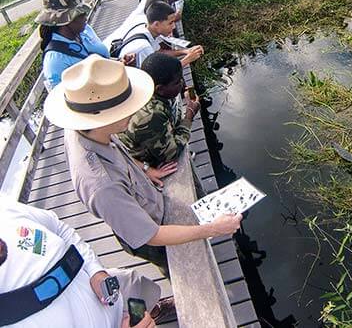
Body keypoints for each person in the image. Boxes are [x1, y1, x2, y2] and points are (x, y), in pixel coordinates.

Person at [44, 56, 242, 277]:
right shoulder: (103, 186)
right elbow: (151, 235)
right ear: (100, 118)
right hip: (151, 233)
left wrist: (144, 168)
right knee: (180, 269)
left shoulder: (84, 128)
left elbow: (117, 147)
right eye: (124, 109)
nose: (134, 112)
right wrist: (214, 229)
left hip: (149, 201)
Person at [0, 197, 173, 327]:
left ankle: (154, 310)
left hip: (117, 297)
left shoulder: (5, 211)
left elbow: (59, 228)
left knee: (139, 290)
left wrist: (95, 270)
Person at [120, 53, 200, 169]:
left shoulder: (145, 88)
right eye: (177, 82)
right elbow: (172, 154)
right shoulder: (151, 114)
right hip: (140, 161)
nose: (182, 83)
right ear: (160, 89)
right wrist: (189, 114)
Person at [37, 0, 111, 90]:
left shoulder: (84, 30)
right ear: (64, 21)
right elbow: (62, 98)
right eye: (80, 14)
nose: (85, 16)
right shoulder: (55, 61)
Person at [117, 0, 202, 68]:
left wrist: (185, 51)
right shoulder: (144, 48)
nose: (174, 27)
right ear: (156, 24)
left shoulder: (144, 28)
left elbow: (159, 53)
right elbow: (159, 77)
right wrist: (187, 59)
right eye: (170, 23)